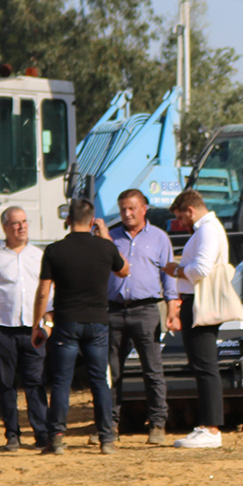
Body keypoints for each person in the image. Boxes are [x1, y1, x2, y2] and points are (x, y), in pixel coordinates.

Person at [32, 198, 128, 455]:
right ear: (92, 220)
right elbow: (124, 270)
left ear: (68, 220)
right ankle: (106, 438)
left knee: (62, 382)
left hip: (66, 321)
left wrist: (37, 325)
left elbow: (43, 292)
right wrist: (105, 236)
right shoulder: (105, 248)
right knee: (99, 381)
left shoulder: (54, 251)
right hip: (97, 321)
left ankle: (57, 439)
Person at [96, 189, 177, 446]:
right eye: (123, 209)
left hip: (146, 310)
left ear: (144, 209)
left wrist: (172, 309)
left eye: (132, 208)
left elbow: (168, 276)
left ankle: (157, 425)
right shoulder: (110, 237)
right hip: (114, 310)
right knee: (112, 372)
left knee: (152, 370)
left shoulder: (159, 238)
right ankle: (109, 426)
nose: (127, 214)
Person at [0, 206, 49, 452]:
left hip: (33, 331)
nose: (22, 227)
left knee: (35, 382)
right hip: (3, 331)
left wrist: (47, 324)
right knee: (6, 385)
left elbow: (48, 293)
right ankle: (12, 435)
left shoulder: (38, 256)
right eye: (16, 223)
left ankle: (42, 434)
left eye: (24, 222)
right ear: (5, 227)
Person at [165, 188, 227, 449]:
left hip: (200, 301)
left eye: (181, 217)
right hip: (196, 300)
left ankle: (211, 428)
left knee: (205, 365)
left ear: (190, 210)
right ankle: (206, 425)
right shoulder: (206, 230)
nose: (181, 223)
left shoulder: (207, 230)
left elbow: (202, 268)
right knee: (202, 365)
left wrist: (176, 270)